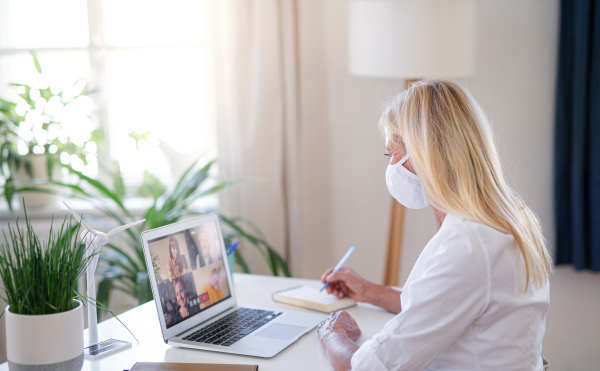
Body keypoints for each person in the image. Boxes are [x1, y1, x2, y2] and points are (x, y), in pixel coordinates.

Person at [317, 80, 552, 371]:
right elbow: (443, 307)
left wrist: (331, 332)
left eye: (392, 154)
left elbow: (367, 368)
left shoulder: (468, 245)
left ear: (425, 156)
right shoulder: (510, 214)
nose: (391, 166)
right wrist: (367, 291)